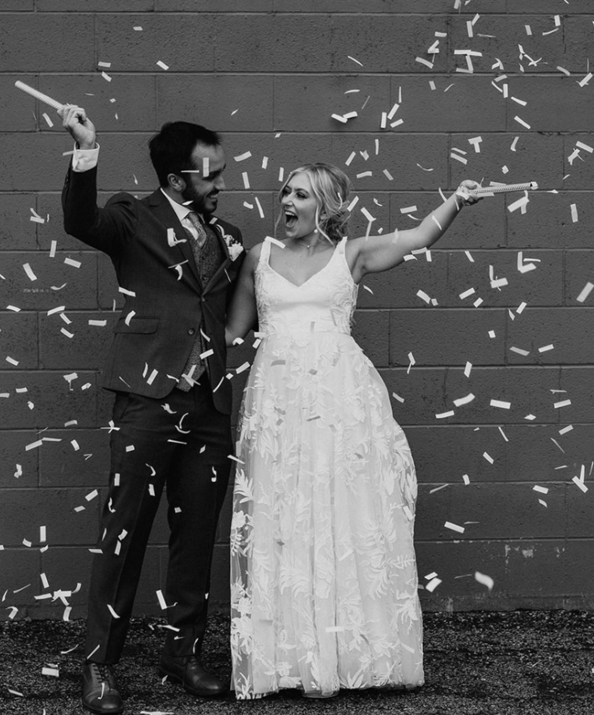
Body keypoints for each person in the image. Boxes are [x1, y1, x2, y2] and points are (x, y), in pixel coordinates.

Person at [224, 163, 484, 700]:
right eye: (285, 193)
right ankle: (289, 659)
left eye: (299, 195)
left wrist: (456, 200)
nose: (286, 202)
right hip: (277, 406)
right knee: (285, 516)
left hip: (343, 402)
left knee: (344, 511)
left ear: (325, 206)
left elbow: (417, 235)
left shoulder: (352, 255)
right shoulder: (258, 258)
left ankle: (354, 655)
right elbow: (229, 332)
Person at [58, 104, 246, 715]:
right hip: (147, 399)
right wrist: (85, 150)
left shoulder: (228, 236)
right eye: (210, 173)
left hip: (211, 404)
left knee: (195, 535)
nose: (220, 183)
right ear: (176, 178)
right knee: (125, 531)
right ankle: (100, 665)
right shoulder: (129, 217)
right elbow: (80, 220)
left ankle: (181, 652)